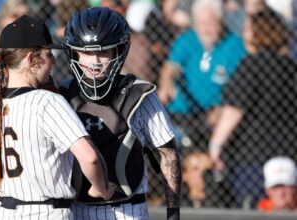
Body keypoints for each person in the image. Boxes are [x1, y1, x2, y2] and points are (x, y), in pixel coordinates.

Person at [0, 15, 112, 219]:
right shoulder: (47, 101)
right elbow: (90, 158)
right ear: (32, 60)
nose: (52, 62)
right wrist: (100, 188)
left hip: (1, 212)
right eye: (48, 54)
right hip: (43, 213)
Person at [60, 7, 181, 220]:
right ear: (74, 52)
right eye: (87, 53)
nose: (95, 62)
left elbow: (168, 154)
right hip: (74, 209)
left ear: (119, 51)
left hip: (128, 210)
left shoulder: (140, 94)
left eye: (103, 52)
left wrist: (173, 213)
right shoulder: (61, 95)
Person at [209, 8, 297, 208]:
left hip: (252, 157)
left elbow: (234, 110)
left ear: (260, 32)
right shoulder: (290, 66)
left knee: (253, 207)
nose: (244, 34)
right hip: (289, 150)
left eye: (248, 29)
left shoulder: (251, 64)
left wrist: (216, 144)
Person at [157, 0, 246, 150]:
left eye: (210, 23)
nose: (204, 28)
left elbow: (240, 84)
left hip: (214, 116)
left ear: (221, 20)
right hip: (181, 114)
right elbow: (171, 67)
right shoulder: (186, 39)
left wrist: (222, 108)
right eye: (200, 23)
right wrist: (167, 82)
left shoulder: (235, 45)